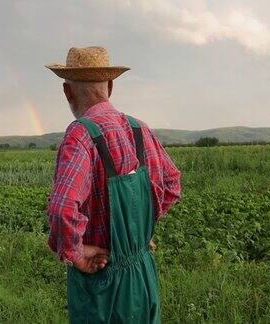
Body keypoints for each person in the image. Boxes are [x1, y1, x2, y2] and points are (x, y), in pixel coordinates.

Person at [45, 46, 182, 323]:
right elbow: (171, 182)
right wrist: (139, 234)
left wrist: (77, 253)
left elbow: (62, 208)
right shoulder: (139, 128)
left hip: (102, 282)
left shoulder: (80, 135)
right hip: (143, 275)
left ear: (67, 92)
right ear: (109, 86)